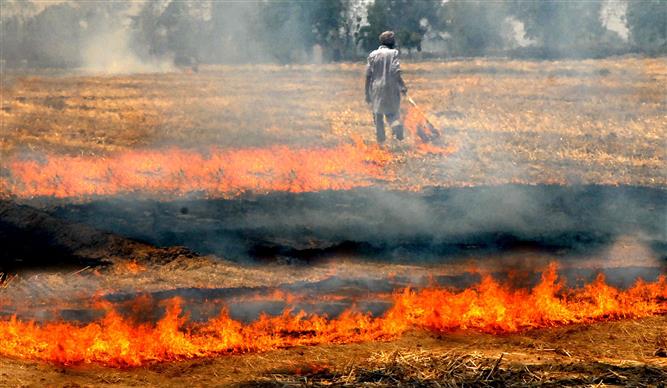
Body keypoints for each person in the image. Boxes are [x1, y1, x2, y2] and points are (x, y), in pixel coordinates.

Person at [365, 31, 408, 145]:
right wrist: (402, 85)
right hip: (391, 87)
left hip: (376, 88)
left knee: (378, 115)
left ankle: (381, 141)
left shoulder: (373, 54)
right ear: (391, 42)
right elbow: (395, 71)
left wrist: (367, 93)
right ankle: (396, 128)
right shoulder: (393, 53)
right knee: (392, 113)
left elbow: (368, 75)